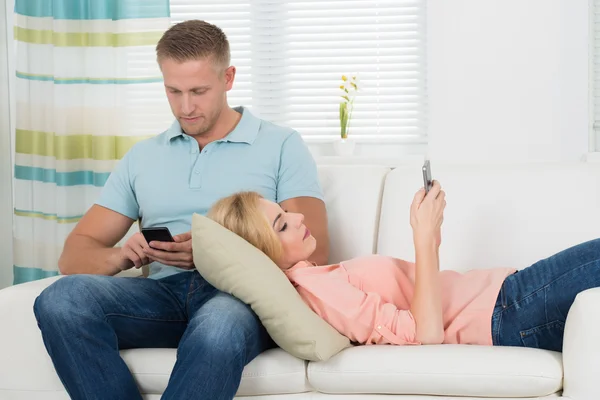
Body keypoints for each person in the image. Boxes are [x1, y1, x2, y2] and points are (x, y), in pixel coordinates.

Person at [32, 20, 330, 400]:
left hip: (240, 298)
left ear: (229, 78)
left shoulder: (281, 144)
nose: (185, 106)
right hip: (160, 297)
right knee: (61, 299)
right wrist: (124, 255)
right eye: (173, 91)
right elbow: (74, 255)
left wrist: (215, 256)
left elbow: (316, 252)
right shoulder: (143, 156)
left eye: (198, 91)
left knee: (218, 324)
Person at [207, 182, 600, 352]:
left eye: (284, 211)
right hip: (509, 311)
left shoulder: (318, 276)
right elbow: (424, 334)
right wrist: (423, 237)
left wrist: (432, 237)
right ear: (263, 253)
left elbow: (422, 295)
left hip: (511, 298)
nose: (296, 217)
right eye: (281, 225)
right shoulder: (316, 291)